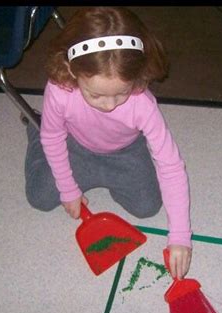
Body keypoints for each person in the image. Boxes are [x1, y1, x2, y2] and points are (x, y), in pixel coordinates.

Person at [24, 7, 192, 279]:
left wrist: (181, 236)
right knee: (39, 197)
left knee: (148, 207)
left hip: (125, 152)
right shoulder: (60, 89)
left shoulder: (143, 104)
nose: (110, 105)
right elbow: (55, 137)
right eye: (96, 95)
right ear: (71, 69)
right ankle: (34, 128)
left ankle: (104, 175)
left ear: (137, 77)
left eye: (122, 93)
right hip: (76, 146)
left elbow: (171, 166)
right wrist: (67, 188)